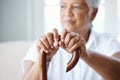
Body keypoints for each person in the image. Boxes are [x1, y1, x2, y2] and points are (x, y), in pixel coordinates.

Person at [22, 0, 120, 80]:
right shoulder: (43, 43)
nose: (67, 13)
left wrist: (85, 54)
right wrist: (44, 59)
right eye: (63, 6)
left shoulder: (107, 42)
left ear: (93, 13)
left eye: (76, 7)